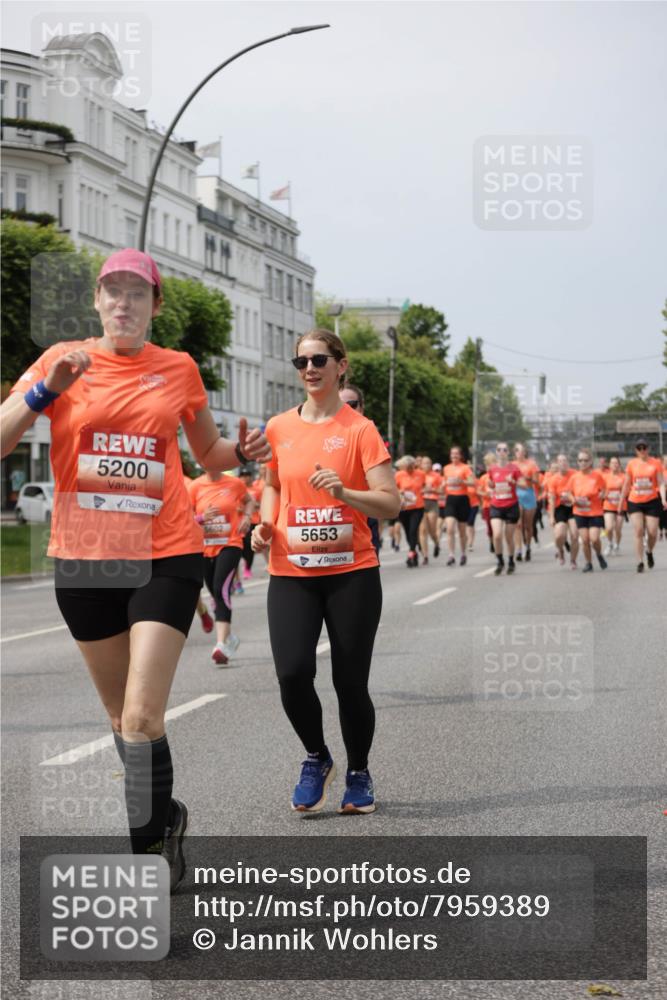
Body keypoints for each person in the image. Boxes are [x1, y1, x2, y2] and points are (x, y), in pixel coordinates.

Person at [0, 248, 270, 890]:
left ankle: (148, 860)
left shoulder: (177, 368)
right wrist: (45, 390)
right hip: (85, 561)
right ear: (97, 300)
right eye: (113, 291)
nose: (124, 302)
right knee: (121, 721)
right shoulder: (61, 361)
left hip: (165, 555)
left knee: (145, 717)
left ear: (155, 305)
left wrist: (242, 452)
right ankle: (165, 817)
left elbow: (207, 452)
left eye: (137, 293)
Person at [251, 328, 400, 815]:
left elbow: (391, 503)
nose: (310, 369)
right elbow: (272, 485)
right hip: (291, 570)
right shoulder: (278, 427)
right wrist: (264, 525)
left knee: (349, 682)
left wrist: (345, 494)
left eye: (319, 360)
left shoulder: (360, 430)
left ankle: (358, 771)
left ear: (341, 365)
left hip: (351, 572)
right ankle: (317, 757)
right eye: (302, 362)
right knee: (292, 673)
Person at [187, 469, 255, 665]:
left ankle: (221, 644)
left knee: (220, 589)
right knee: (214, 592)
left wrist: (247, 517)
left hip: (230, 544)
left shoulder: (235, 483)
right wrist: (202, 517)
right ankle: (229, 637)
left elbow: (249, 501)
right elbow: (184, 518)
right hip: (204, 547)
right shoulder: (195, 486)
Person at [340, 383, 382, 556]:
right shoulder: (315, 436)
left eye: (352, 405)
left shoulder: (369, 435)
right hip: (327, 519)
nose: (346, 410)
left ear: (362, 408)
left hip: (363, 516)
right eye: (340, 404)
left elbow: (383, 491)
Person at [618, 438, 666, 573]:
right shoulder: (631, 464)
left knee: (653, 532)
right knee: (638, 530)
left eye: (644, 447)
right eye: (639, 448)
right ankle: (640, 561)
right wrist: (621, 502)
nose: (642, 450)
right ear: (636, 450)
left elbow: (660, 482)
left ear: (648, 449)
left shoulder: (655, 463)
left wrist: (663, 499)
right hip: (635, 501)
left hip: (652, 501)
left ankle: (649, 551)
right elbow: (627, 484)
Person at [487, 442, 524, 575]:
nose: (502, 452)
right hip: (496, 505)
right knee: (497, 535)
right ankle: (500, 562)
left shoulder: (514, 468)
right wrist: (490, 485)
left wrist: (512, 481)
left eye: (505, 450)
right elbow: (491, 484)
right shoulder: (492, 469)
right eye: (499, 449)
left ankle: (511, 561)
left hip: (511, 506)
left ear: (508, 453)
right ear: (496, 452)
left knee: (509, 537)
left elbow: (523, 484)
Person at [568, 449, 608, 572]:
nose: (583, 463)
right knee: (585, 540)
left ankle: (599, 554)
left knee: (594, 539)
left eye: (585, 460)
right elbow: (569, 493)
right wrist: (574, 500)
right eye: (580, 460)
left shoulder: (597, 476)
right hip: (580, 512)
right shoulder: (574, 477)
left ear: (590, 462)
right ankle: (589, 563)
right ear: (577, 462)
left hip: (595, 512)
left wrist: (602, 495)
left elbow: (605, 489)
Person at [442, 446, 475, 566]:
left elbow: (472, 482)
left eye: (456, 454)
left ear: (460, 456)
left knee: (462, 531)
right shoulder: (446, 468)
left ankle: (463, 553)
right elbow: (444, 483)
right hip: (450, 499)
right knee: (450, 528)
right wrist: (443, 485)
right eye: (452, 454)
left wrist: (462, 481)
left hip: (462, 500)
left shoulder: (465, 468)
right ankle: (451, 555)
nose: (454, 456)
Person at [548, 453, 579, 569]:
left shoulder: (575, 474)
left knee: (574, 535)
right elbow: (551, 499)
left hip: (573, 507)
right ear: (557, 464)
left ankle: (573, 560)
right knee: (559, 535)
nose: (563, 463)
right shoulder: (553, 479)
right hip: (560, 508)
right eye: (560, 461)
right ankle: (560, 550)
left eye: (565, 460)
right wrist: (551, 517)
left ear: (568, 463)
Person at [395, 455, 426, 568]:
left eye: (410, 467)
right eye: (406, 467)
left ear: (414, 465)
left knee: (413, 530)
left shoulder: (420, 474)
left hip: (417, 507)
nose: (408, 469)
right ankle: (414, 552)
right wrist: (400, 492)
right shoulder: (399, 475)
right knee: (408, 532)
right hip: (404, 508)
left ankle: (411, 553)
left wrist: (424, 490)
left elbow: (425, 486)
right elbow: (394, 489)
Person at [513, 443, 540, 561]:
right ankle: (518, 550)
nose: (519, 452)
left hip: (528, 493)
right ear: (514, 453)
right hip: (516, 494)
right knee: (518, 524)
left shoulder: (532, 464)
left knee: (528, 526)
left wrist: (526, 478)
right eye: (517, 450)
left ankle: (528, 547)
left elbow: (536, 481)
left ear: (525, 452)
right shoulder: (512, 465)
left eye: (521, 450)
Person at [419, 456, 443, 562]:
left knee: (432, 530)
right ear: (421, 465)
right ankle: (425, 556)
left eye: (429, 463)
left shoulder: (436, 476)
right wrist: (421, 490)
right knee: (423, 530)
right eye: (425, 463)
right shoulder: (418, 475)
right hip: (421, 503)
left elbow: (442, 491)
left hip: (432, 502)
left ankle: (436, 543)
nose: (427, 465)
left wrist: (432, 489)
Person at [602, 456, 626, 556]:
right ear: (609, 465)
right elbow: (601, 490)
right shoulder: (605, 476)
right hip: (608, 505)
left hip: (621, 506)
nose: (614, 465)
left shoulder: (623, 477)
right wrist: (603, 494)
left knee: (618, 529)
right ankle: (610, 543)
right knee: (609, 528)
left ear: (619, 465)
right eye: (612, 463)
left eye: (616, 463)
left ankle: (617, 544)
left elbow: (626, 491)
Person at [477, 452, 495, 554]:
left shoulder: (499, 476)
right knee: (490, 527)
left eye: (491, 464)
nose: (489, 467)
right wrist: (485, 494)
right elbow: (478, 491)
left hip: (499, 505)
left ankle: (497, 541)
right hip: (487, 505)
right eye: (487, 465)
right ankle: (492, 542)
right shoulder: (483, 478)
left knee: (497, 526)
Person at [466, 471, 481, 552]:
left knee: (470, 523)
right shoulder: (464, 482)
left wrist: (482, 505)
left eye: (471, 474)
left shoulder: (476, 482)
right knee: (466, 524)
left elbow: (479, 494)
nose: (470, 476)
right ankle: (467, 540)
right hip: (464, 506)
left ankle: (470, 543)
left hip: (474, 505)